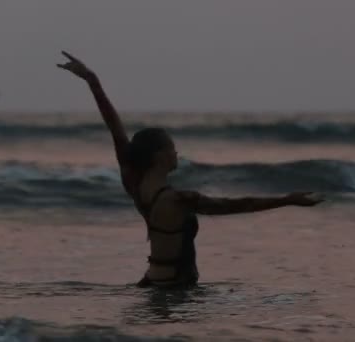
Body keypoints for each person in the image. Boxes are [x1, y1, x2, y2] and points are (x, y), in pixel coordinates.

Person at [56, 51, 324, 288]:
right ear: (159, 156)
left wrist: (92, 80)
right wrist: (287, 200)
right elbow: (237, 205)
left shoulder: (134, 185)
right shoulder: (178, 200)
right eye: (172, 148)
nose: (176, 153)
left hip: (153, 283)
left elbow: (114, 127)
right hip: (175, 291)